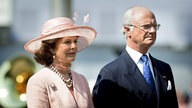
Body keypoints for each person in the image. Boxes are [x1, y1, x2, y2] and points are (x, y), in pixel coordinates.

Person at [92, 6, 178, 108]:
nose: (153, 30)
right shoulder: (111, 73)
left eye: (155, 26)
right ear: (128, 30)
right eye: (146, 26)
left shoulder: (164, 69)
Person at [24, 17, 97, 108]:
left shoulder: (81, 80)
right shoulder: (38, 81)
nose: (74, 46)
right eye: (67, 42)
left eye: (75, 41)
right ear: (51, 48)